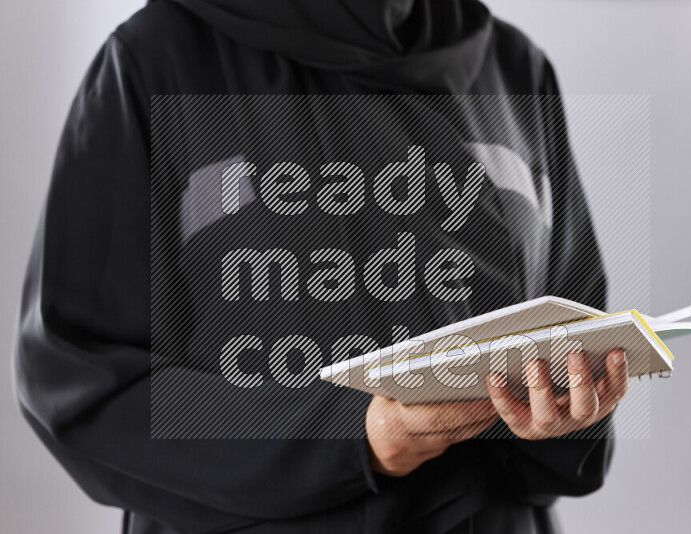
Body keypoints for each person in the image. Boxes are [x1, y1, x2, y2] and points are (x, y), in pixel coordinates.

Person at [13, 1, 629, 532]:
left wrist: (566, 414)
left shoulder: (515, 70)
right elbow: (85, 384)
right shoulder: (158, 59)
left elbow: (569, 326)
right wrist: (358, 435)